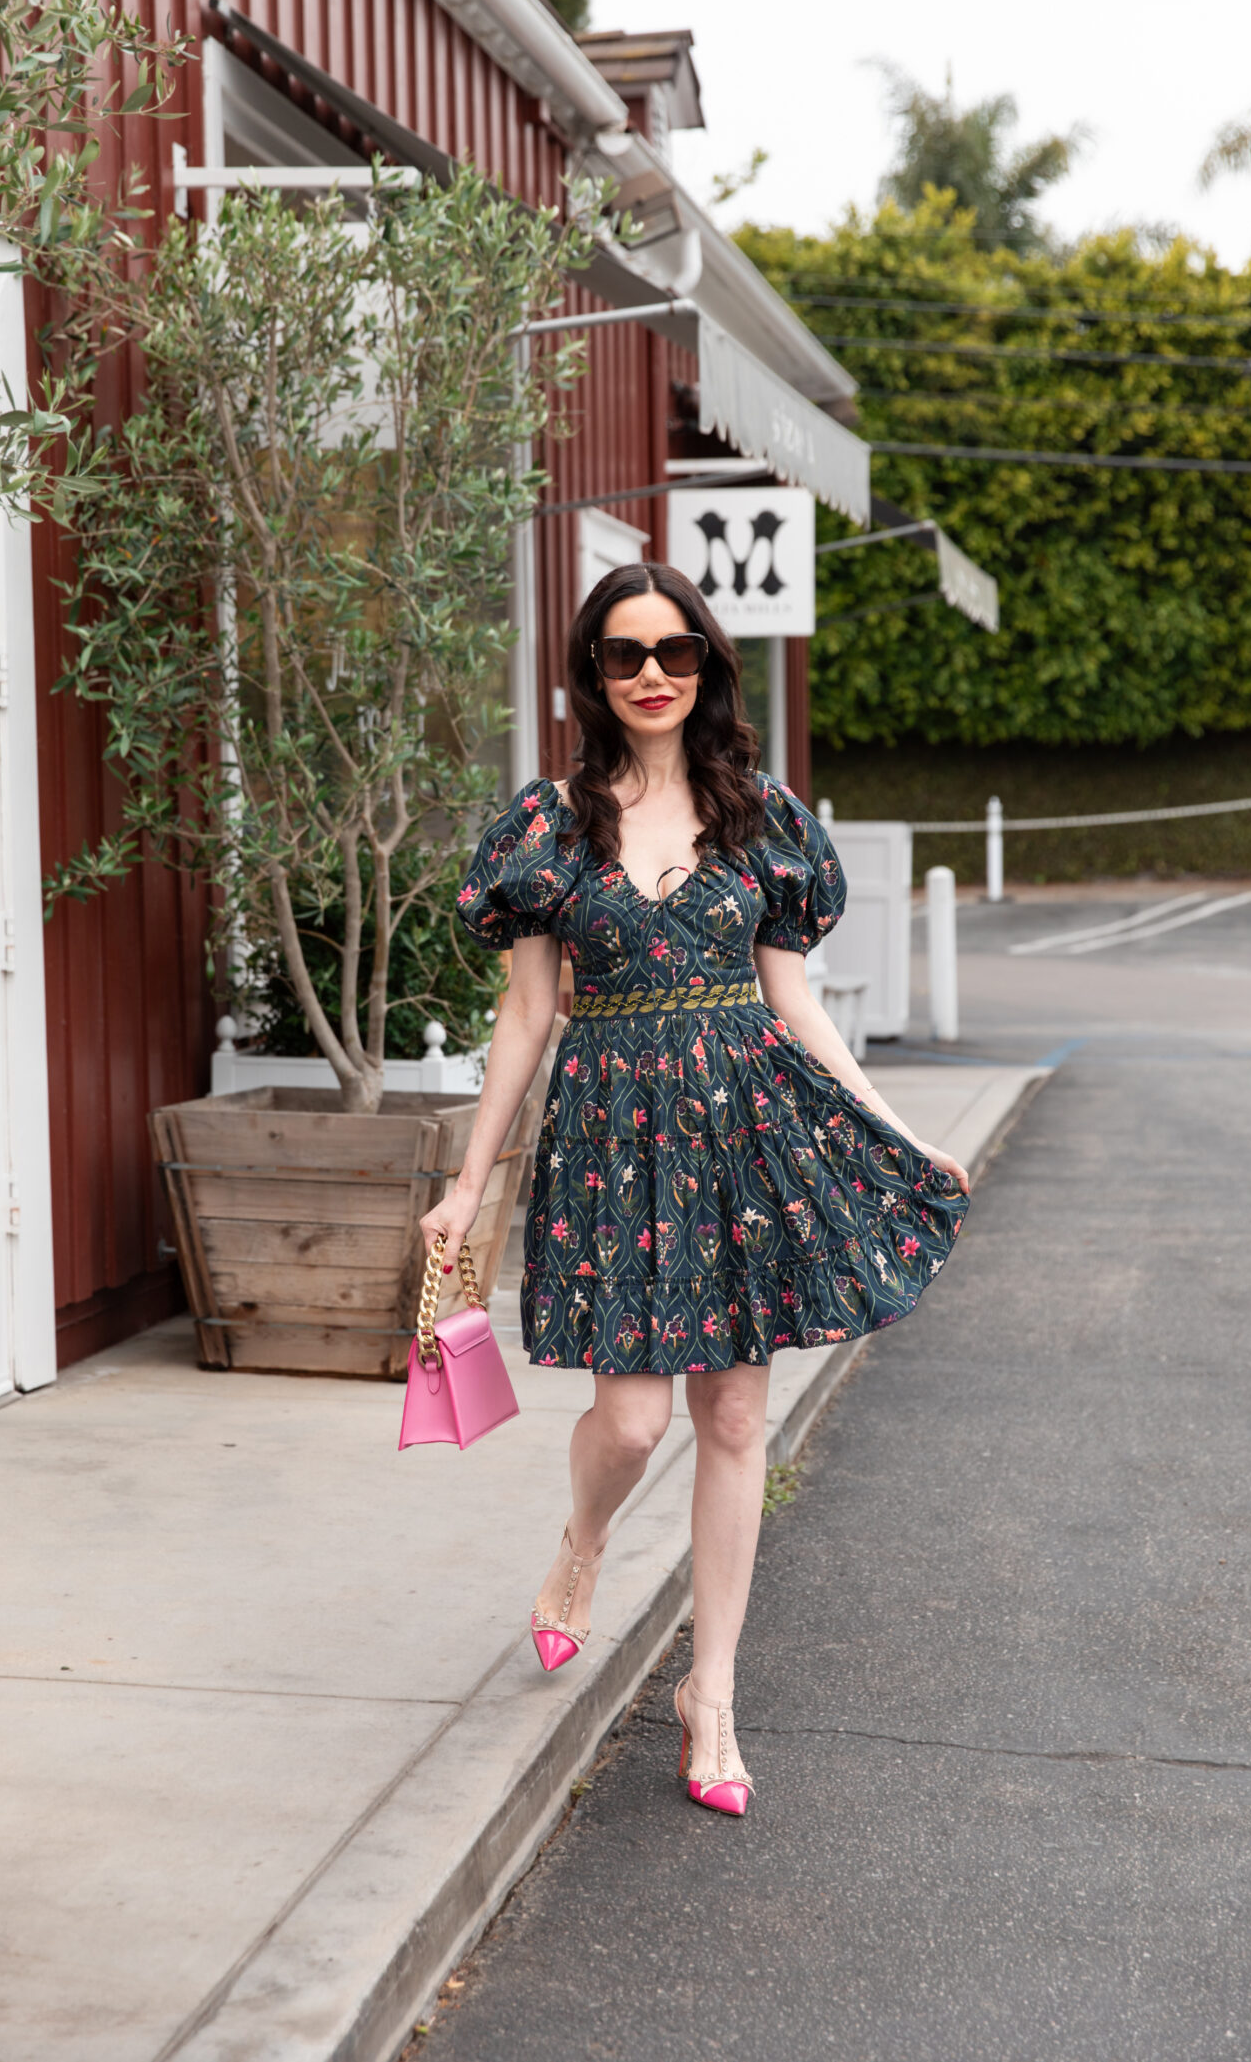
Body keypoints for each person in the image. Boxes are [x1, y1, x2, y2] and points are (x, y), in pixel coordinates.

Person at [422, 561, 970, 1818]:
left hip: (745, 1140)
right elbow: (524, 1020)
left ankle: (708, 1695)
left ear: (709, 666)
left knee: (732, 1420)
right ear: (593, 674)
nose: (654, 674)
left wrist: (896, 1129)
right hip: (613, 1142)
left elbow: (797, 1002)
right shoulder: (547, 824)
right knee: (630, 1423)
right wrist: (466, 1187)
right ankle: (583, 1545)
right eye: (626, 655)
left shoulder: (758, 815)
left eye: (677, 652)